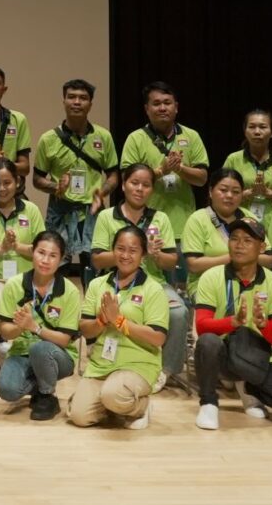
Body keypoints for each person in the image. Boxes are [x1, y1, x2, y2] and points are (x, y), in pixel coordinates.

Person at [191, 219, 272, 429]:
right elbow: (201, 325)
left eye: (247, 240)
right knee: (208, 341)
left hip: (258, 357)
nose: (239, 245)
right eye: (234, 239)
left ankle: (250, 388)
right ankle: (209, 403)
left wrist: (264, 325)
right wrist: (232, 322)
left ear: (262, 247)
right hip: (223, 355)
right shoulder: (212, 276)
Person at [92, 163, 188, 384]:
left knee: (179, 312)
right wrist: (128, 253)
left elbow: (172, 261)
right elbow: (97, 258)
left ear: (152, 190)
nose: (139, 189)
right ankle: (113, 358)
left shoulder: (160, 218)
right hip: (115, 284)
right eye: (134, 183)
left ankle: (166, 371)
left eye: (146, 185)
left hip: (154, 285)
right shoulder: (107, 216)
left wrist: (154, 254)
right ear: (124, 185)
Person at [70, 225, 168, 428]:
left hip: (138, 363)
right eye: (120, 248)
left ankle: (140, 406)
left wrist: (120, 321)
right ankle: (115, 404)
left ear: (143, 254)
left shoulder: (153, 289)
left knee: (113, 394)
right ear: (113, 250)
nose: (125, 255)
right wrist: (102, 321)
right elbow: (85, 329)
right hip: (102, 363)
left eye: (133, 250)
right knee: (78, 416)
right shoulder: (98, 284)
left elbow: (158, 337)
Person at [32, 79, 116, 281]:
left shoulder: (103, 136)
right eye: (71, 97)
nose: (76, 102)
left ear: (90, 104)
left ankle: (93, 311)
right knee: (54, 267)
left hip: (92, 211)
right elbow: (36, 179)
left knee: (95, 270)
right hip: (60, 210)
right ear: (64, 101)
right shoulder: (49, 139)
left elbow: (114, 176)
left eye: (83, 98)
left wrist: (102, 193)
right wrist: (55, 187)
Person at [0, 231, 81, 420]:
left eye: (53, 256)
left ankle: (47, 395)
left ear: (61, 260)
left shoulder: (70, 291)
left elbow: (65, 340)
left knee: (40, 348)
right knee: (7, 390)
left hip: (58, 355)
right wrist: (20, 327)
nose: (45, 260)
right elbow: (5, 332)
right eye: (41, 253)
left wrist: (35, 327)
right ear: (32, 252)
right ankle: (42, 383)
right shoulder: (14, 285)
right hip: (21, 352)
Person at [120, 81, 208, 244]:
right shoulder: (135, 139)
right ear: (147, 109)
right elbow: (127, 180)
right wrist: (161, 171)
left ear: (176, 107)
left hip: (184, 226)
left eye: (167, 103)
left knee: (179, 269)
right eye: (156, 103)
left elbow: (202, 179)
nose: (162, 108)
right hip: (146, 224)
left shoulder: (191, 136)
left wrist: (179, 169)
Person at [0, 158, 44, 337]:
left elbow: (43, 250)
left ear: (18, 182)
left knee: (31, 311)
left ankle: (10, 347)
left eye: (7, 183)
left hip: (25, 279)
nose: (1, 189)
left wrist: (17, 246)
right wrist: (0, 248)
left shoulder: (31, 210)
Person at [182, 168, 260, 295]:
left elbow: (268, 259)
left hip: (247, 282)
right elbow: (193, 265)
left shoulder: (249, 218)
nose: (229, 196)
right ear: (211, 192)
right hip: (206, 284)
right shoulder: (198, 219)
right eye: (223, 190)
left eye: (236, 192)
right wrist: (234, 258)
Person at [221, 109, 272, 223]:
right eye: (251, 127)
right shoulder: (233, 159)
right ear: (245, 131)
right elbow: (222, 195)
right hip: (241, 223)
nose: (257, 131)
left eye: (262, 127)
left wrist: (271, 193)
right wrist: (248, 194)